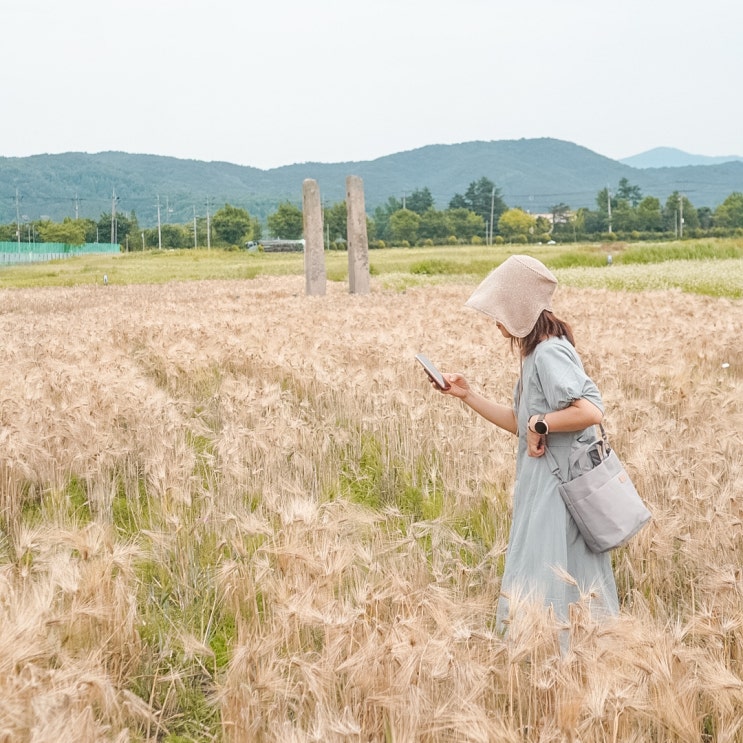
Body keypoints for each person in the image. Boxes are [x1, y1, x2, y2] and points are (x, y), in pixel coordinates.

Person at [435, 255, 619, 631]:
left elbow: (591, 410)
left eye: (500, 309)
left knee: (550, 578)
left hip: (558, 489)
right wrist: (467, 395)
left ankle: (560, 660)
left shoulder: (549, 352)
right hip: (542, 486)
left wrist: (541, 423)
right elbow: (521, 425)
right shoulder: (536, 354)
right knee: (551, 578)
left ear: (519, 308)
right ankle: (560, 661)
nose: (495, 320)